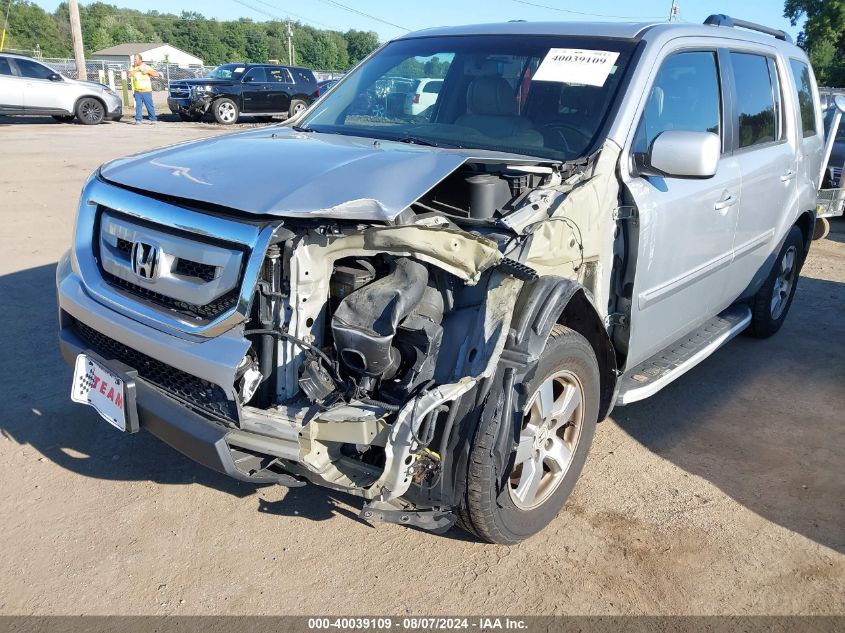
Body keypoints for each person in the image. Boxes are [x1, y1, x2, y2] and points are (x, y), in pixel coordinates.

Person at [130, 54, 159, 124]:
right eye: (134, 59)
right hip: (137, 91)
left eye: (136, 59)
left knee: (149, 106)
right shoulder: (133, 67)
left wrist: (148, 72)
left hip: (146, 91)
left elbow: (157, 74)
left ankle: (153, 119)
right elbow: (129, 74)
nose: (134, 61)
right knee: (138, 106)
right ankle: (138, 119)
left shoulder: (146, 67)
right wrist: (136, 70)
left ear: (140, 60)